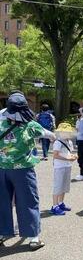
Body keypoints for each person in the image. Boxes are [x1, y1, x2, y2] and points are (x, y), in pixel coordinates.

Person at [0, 92, 56, 250]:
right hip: (23, 170)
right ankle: (33, 238)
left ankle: (3, 233)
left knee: (2, 202)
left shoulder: (0, 123)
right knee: (28, 202)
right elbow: (50, 135)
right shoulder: (30, 126)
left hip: (2, 169)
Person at [51, 123, 78, 215]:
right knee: (58, 186)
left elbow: (69, 153)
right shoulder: (58, 142)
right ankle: (54, 206)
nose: (66, 134)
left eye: (68, 132)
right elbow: (55, 155)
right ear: (60, 132)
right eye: (64, 132)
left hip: (67, 165)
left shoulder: (69, 142)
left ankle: (60, 203)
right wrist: (68, 158)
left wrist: (74, 156)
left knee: (64, 186)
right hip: (59, 167)